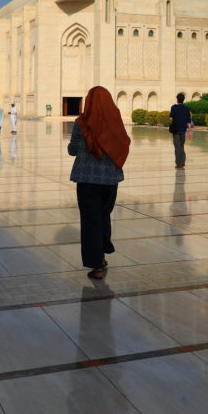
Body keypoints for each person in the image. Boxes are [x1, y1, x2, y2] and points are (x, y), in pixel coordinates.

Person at [68, 86, 130, 280]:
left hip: (87, 180)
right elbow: (123, 143)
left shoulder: (81, 123)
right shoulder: (115, 120)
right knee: (103, 216)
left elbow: (73, 150)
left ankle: (96, 265)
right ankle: (102, 255)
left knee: (91, 221)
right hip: (111, 180)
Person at [169, 92, 193, 169]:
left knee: (177, 147)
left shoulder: (174, 107)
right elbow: (188, 121)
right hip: (183, 130)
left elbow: (171, 118)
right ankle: (182, 162)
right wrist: (189, 132)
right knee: (181, 146)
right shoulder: (186, 108)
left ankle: (178, 164)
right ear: (183, 100)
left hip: (176, 130)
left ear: (177, 99)